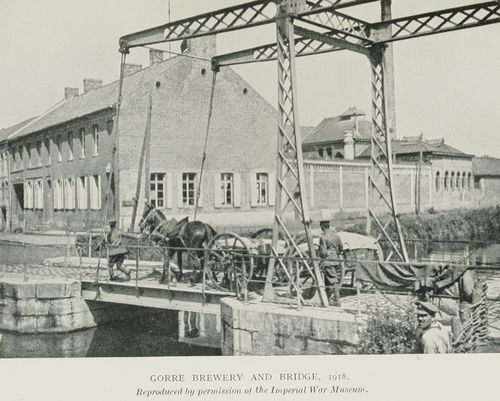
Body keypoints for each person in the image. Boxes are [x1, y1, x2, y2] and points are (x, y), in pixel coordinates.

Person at [318, 219, 344, 306]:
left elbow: (323, 253)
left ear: (322, 226)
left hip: (328, 262)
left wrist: (319, 253)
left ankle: (337, 301)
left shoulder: (323, 237)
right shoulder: (336, 235)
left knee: (333, 281)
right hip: (336, 261)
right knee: (328, 281)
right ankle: (328, 300)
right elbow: (341, 248)